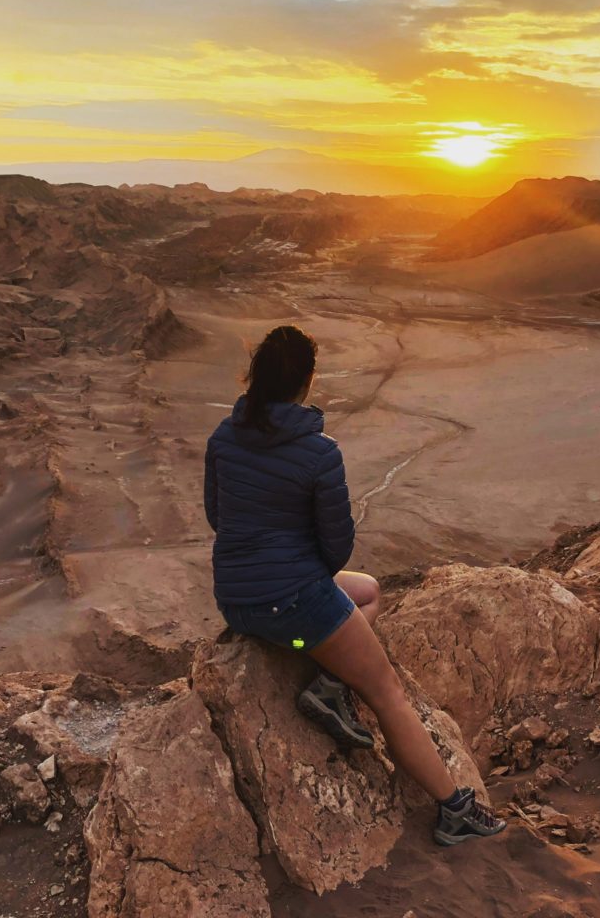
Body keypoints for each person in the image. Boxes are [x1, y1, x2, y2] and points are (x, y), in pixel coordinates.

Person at [204, 324, 506, 847]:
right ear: (306, 381)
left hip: (236, 601)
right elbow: (335, 548)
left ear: (253, 376)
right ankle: (454, 811)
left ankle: (328, 683)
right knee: (387, 692)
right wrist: (302, 584)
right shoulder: (320, 452)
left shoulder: (223, 437)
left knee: (367, 591)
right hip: (293, 605)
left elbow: (217, 517)